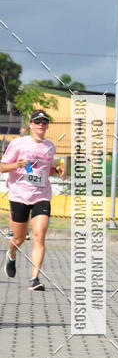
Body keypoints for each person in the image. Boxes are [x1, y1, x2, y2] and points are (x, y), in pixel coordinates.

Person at [1, 109, 65, 291]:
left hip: (41, 196)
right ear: (30, 124)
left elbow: (46, 170)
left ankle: (34, 279)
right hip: (19, 195)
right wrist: (17, 165)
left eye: (44, 122)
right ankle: (11, 254)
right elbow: (3, 167)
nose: (41, 124)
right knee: (18, 239)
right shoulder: (19, 144)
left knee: (39, 236)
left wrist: (57, 171)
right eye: (37, 121)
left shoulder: (50, 146)